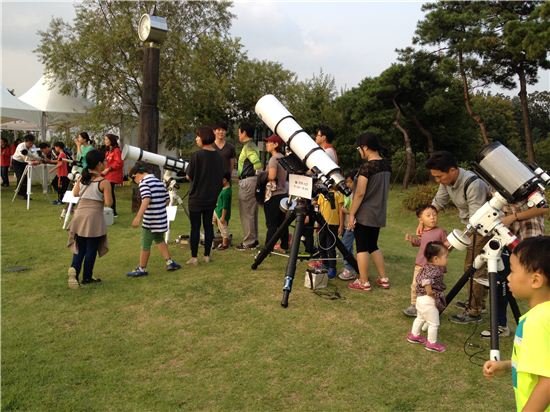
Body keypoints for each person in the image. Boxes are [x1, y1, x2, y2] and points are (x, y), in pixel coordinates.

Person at [482, 236, 550, 412]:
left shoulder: (537, 322)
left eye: (512, 271)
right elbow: (541, 359)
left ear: (535, 280)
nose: (508, 277)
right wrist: (506, 365)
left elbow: (548, 381)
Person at [424, 151, 491, 324]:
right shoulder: (447, 182)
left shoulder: (473, 184)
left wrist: (452, 242)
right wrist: (424, 219)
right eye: (435, 178)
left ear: (453, 170)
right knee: (474, 266)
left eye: (439, 177)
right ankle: (476, 303)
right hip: (471, 226)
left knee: (474, 268)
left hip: (484, 229)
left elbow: (477, 221)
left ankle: (474, 311)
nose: (438, 181)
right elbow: (438, 202)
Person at [479, 193, 547, 338]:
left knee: (534, 284)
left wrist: (513, 217)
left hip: (529, 233)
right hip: (506, 232)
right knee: (501, 281)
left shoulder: (525, 183)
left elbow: (543, 208)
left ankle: (538, 324)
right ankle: (500, 324)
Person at [347, 132, 391, 291]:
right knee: (373, 245)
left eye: (359, 148)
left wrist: (351, 214)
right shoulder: (386, 164)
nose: (359, 151)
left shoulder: (367, 167)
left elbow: (359, 193)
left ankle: (363, 281)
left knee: (362, 247)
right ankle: (383, 278)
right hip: (379, 212)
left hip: (365, 213)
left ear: (365, 147)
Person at [126, 162, 182, 277]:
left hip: (150, 221)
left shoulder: (144, 183)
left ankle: (142, 268)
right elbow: (167, 199)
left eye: (133, 179)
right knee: (159, 239)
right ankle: (169, 262)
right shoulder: (159, 182)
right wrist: (159, 209)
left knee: (145, 244)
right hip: (160, 219)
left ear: (137, 175)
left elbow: (146, 199)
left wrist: (138, 217)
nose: (135, 182)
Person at [66, 150, 112, 288]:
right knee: (91, 248)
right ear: (98, 164)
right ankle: (87, 277)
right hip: (93, 218)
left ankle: (74, 269)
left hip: (79, 216)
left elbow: (75, 193)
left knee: (80, 246)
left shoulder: (82, 178)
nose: (105, 163)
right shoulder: (104, 182)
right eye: (104, 161)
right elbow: (109, 203)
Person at [186, 126, 224, 264]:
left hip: (196, 197)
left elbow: (189, 176)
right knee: (208, 226)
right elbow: (221, 178)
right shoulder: (218, 157)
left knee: (195, 227)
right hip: (211, 197)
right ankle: (207, 255)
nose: (196, 139)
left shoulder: (196, 156)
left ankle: (194, 257)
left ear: (203, 138)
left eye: (197, 136)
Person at [403, 205, 450, 317]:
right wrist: (413, 240)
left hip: (435, 267)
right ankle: (415, 306)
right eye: (428, 215)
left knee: (434, 287)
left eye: (434, 215)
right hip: (421, 264)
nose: (432, 217)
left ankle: (433, 306)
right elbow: (421, 243)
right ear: (421, 220)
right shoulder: (423, 231)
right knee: (416, 285)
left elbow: (447, 245)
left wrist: (448, 244)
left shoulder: (440, 232)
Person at [406, 241, 449, 353]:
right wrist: (430, 292)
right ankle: (431, 343)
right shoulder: (434, 270)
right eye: (445, 257)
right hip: (428, 300)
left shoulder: (427, 266)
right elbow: (426, 281)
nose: (447, 259)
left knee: (420, 317)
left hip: (420, 299)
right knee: (434, 323)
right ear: (436, 259)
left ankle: (414, 336)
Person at [236, 122, 262, 250]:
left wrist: (257, 173)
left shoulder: (248, 147)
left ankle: (249, 241)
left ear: (244, 133)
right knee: (251, 212)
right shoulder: (252, 145)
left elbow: (257, 163)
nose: (238, 134)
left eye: (239, 132)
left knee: (246, 213)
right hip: (251, 181)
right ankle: (254, 239)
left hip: (247, 181)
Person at [263, 134, 289, 253]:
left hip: (274, 195)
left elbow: (272, 176)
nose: (267, 144)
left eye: (269, 142)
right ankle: (284, 245)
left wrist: (261, 176)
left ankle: (267, 248)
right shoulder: (283, 157)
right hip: (283, 194)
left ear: (276, 145)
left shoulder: (274, 159)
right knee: (282, 223)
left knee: (272, 224)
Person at [316, 187, 344, 279]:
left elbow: (340, 211)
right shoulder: (321, 195)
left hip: (333, 224)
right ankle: (325, 264)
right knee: (321, 245)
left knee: (330, 247)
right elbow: (319, 210)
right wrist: (317, 224)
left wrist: (341, 225)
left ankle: (332, 267)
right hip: (322, 224)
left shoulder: (338, 194)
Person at [338, 170, 358, 280]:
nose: (348, 185)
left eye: (350, 182)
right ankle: (351, 267)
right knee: (348, 247)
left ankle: (349, 269)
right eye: (347, 182)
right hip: (346, 224)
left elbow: (356, 211)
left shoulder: (357, 195)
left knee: (345, 246)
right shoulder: (347, 193)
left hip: (352, 224)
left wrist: (347, 211)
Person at [101, 134, 124, 217]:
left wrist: (108, 169)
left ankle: (113, 212)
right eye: (105, 139)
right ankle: (110, 210)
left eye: (106, 139)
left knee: (110, 192)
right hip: (107, 174)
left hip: (113, 175)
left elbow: (119, 163)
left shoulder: (117, 150)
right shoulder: (108, 151)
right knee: (107, 191)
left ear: (111, 140)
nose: (105, 141)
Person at [11, 134, 39, 199]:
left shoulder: (33, 146)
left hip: (25, 163)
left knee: (26, 178)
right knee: (21, 177)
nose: (31, 144)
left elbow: (35, 154)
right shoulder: (20, 146)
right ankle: (20, 193)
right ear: (25, 141)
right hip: (17, 162)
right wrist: (34, 161)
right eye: (29, 143)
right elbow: (25, 158)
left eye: (32, 143)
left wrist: (38, 159)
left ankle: (24, 194)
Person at [213, 172, 233, 250]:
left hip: (222, 213)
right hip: (217, 210)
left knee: (223, 228)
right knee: (213, 221)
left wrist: (223, 217)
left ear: (225, 180)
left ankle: (225, 244)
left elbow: (225, 206)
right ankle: (218, 235)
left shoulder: (226, 192)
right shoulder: (224, 189)